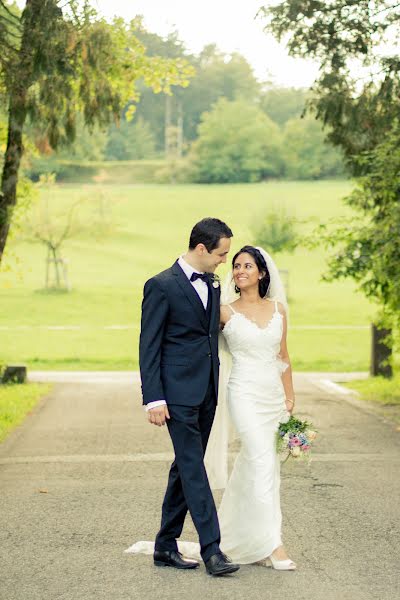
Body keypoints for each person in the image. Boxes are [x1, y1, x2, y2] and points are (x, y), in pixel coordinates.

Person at [138, 217, 240, 577]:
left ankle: (165, 546)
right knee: (195, 467)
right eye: (221, 254)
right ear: (201, 248)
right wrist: (154, 399)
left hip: (206, 391)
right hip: (177, 396)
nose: (223, 261)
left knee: (184, 466)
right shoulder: (161, 286)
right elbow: (148, 345)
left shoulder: (212, 284)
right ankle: (213, 550)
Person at [214, 245, 296, 570]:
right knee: (261, 459)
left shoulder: (279, 309)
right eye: (236, 266)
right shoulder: (224, 312)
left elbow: (284, 357)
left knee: (264, 467)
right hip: (244, 393)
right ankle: (273, 544)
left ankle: (241, 536)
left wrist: (290, 398)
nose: (240, 270)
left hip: (273, 396)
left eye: (248, 265)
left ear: (262, 273)